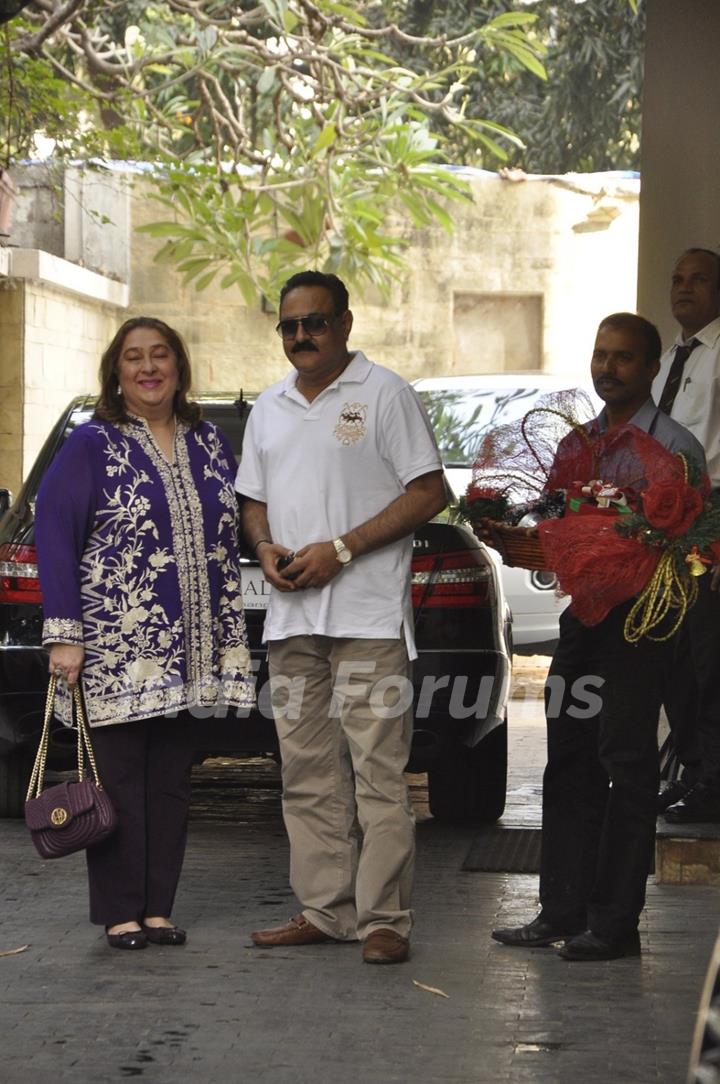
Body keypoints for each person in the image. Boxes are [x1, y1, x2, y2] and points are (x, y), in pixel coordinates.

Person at [235, 270, 446, 965]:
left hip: (367, 621)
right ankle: (326, 910)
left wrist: (344, 549)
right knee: (306, 772)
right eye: (289, 326)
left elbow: (429, 492)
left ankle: (385, 919)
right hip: (292, 621)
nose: (301, 337)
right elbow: (253, 498)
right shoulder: (268, 407)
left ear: (345, 324)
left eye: (314, 323)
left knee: (379, 774)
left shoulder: (384, 394)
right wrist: (263, 547)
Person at [492, 313, 706, 961]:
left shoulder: (675, 447)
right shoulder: (578, 442)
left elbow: (692, 548)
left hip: (641, 628)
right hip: (581, 623)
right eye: (600, 355)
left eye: (623, 358)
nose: (607, 367)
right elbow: (555, 515)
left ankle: (616, 924)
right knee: (569, 762)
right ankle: (559, 910)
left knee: (629, 766)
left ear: (650, 368)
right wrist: (512, 526)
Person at [35, 317, 254, 950]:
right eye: (134, 358)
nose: (149, 367)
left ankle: (158, 908)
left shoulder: (209, 441)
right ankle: (120, 912)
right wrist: (64, 635)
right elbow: (54, 533)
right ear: (117, 371)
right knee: (119, 783)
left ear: (179, 367)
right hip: (115, 645)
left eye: (160, 355)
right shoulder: (92, 444)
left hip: (192, 649)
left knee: (171, 784)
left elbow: (237, 522)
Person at [650, 248, 720, 820]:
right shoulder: (673, 356)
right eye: (677, 280)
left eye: (698, 280)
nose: (684, 289)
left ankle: (714, 780)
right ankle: (694, 769)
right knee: (671, 651)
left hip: (712, 516)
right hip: (665, 520)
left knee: (708, 654)